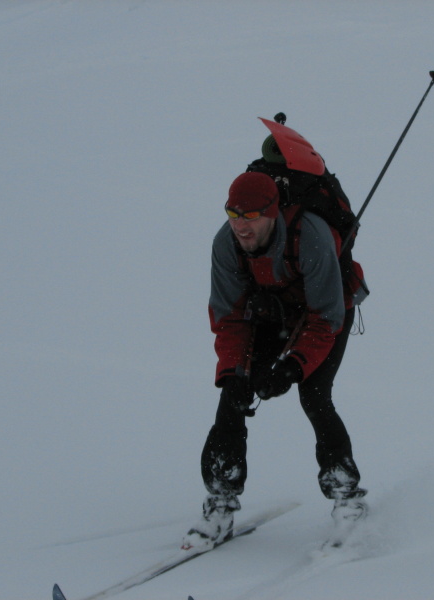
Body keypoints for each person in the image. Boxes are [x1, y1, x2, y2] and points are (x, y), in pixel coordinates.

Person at [182, 171, 368, 551]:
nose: (241, 227)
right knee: (232, 397)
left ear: (273, 214)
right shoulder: (226, 244)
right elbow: (229, 318)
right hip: (272, 310)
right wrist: (233, 373)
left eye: (251, 217)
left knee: (314, 394)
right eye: (234, 216)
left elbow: (326, 319)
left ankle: (347, 498)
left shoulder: (311, 236)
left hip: (326, 313)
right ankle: (220, 499)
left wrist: (293, 366)